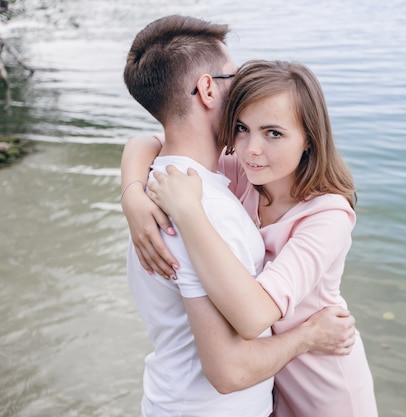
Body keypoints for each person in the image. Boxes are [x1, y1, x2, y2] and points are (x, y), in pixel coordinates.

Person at [121, 15, 356, 417]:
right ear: (209, 88)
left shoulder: (199, 183)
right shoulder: (202, 196)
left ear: (309, 140)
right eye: (234, 77)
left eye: (274, 132)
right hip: (237, 391)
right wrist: (134, 195)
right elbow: (232, 360)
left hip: (319, 383)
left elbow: (149, 142)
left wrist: (132, 193)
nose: (252, 147)